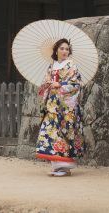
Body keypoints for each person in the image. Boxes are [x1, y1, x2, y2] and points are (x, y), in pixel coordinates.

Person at [35, 38, 86, 176]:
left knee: (63, 131)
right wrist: (46, 85)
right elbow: (45, 83)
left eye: (67, 49)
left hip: (65, 105)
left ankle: (65, 167)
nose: (65, 51)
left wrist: (60, 85)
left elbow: (76, 85)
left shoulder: (71, 65)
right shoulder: (51, 66)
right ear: (56, 50)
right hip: (51, 104)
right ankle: (56, 166)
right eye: (62, 48)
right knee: (49, 132)